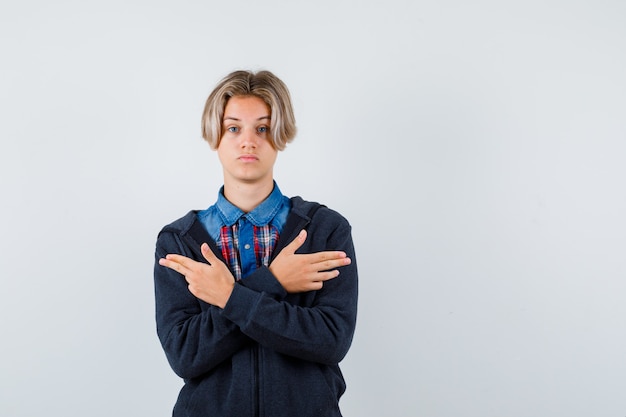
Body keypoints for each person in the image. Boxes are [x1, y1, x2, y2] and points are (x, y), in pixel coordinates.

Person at [153, 69, 359, 417]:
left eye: (262, 128)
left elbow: (331, 341)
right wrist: (273, 282)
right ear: (215, 135)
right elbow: (185, 355)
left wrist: (230, 296)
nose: (248, 141)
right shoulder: (179, 242)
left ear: (279, 135)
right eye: (233, 127)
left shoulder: (326, 230)